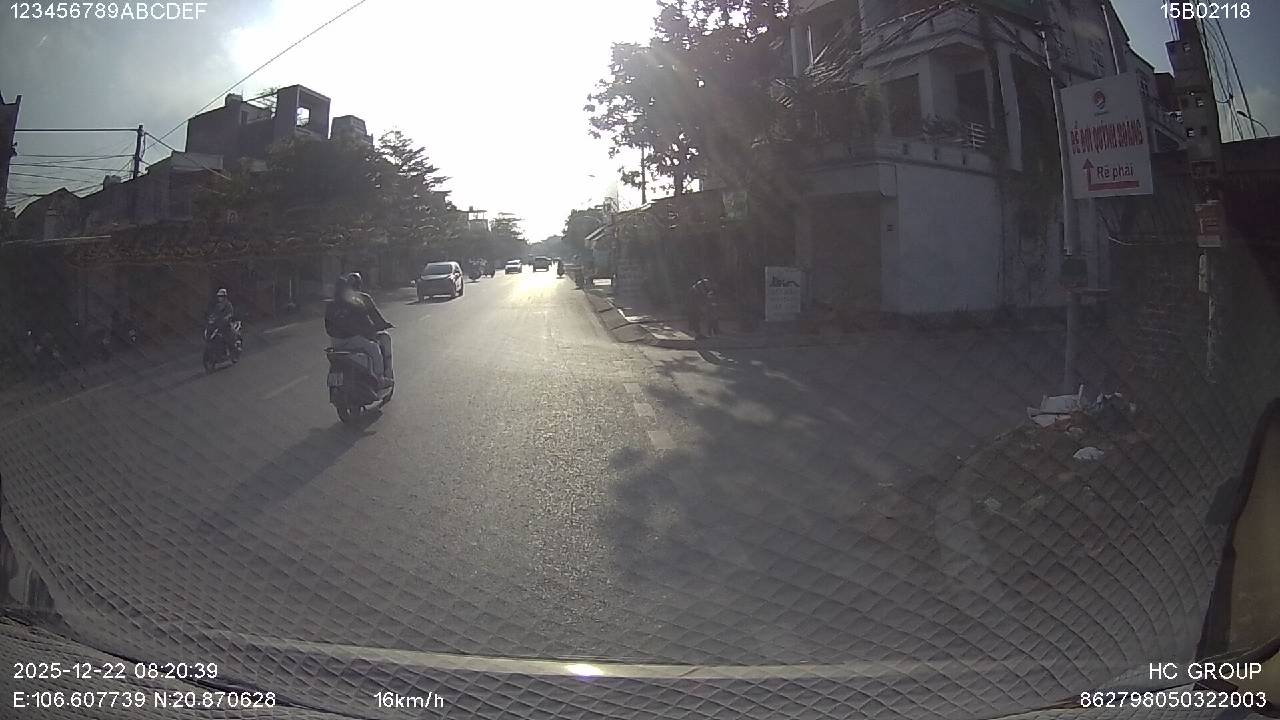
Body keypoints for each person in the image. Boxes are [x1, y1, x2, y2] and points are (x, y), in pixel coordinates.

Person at [325, 272, 394, 387]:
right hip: (353, 340)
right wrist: (373, 330)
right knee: (374, 349)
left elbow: (328, 326)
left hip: (336, 342)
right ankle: (380, 379)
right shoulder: (357, 301)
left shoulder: (330, 305)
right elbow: (366, 321)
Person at [206, 288, 239, 353]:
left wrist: (227, 317)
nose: (220, 298)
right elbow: (215, 313)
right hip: (218, 324)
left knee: (228, 336)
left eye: (221, 296)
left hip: (226, 324)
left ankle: (231, 349)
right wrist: (211, 317)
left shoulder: (228, 304)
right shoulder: (218, 306)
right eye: (219, 296)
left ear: (224, 297)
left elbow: (231, 313)